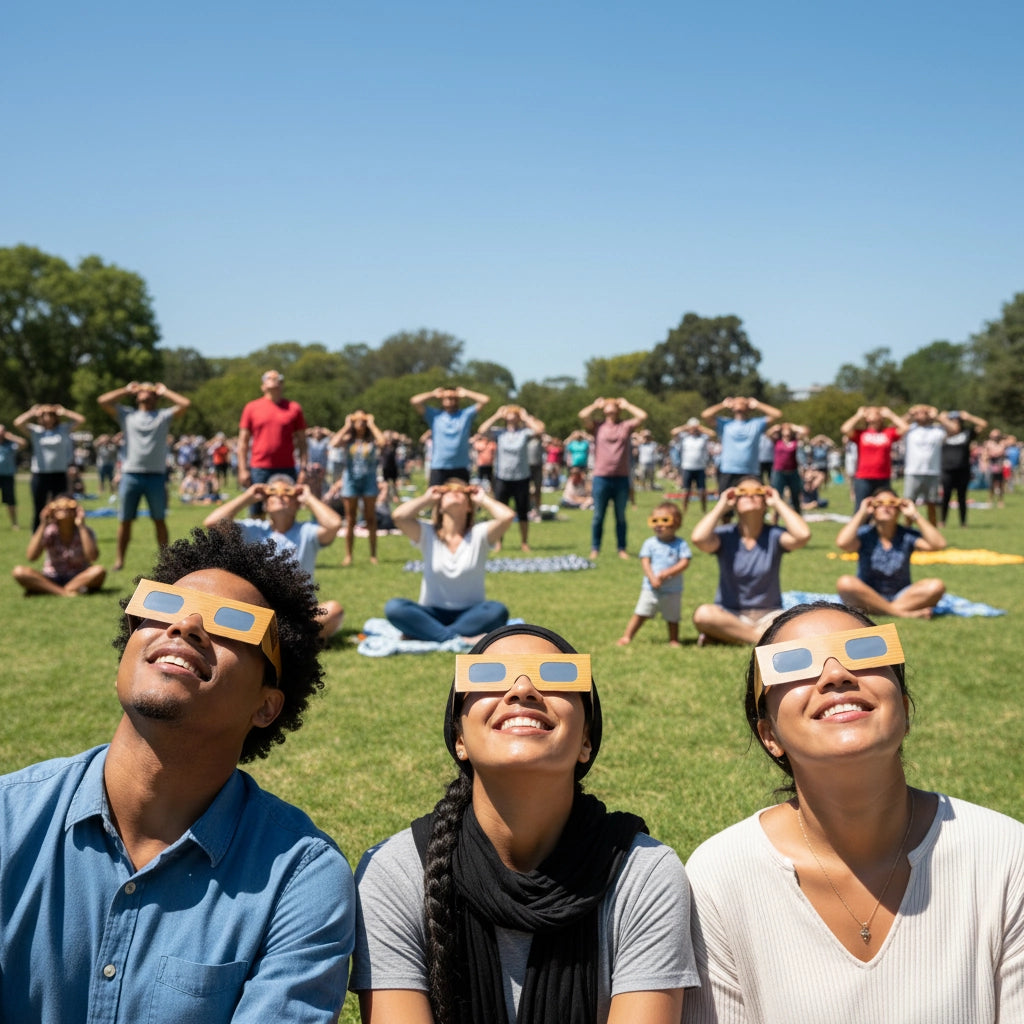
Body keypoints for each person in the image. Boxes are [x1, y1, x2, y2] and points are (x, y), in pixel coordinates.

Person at [0, 524, 355, 1022]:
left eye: (232, 623)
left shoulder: (299, 881)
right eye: (163, 605)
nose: (185, 625)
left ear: (267, 705)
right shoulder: (8, 820)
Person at [683, 602, 1024, 1023]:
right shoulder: (720, 877)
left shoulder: (1005, 856)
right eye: (794, 665)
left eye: (863, 654)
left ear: (904, 709)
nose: (835, 675)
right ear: (769, 734)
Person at [351, 622, 697, 1023]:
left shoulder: (643, 876)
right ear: (459, 737)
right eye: (487, 676)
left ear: (587, 739)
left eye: (557, 675)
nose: (521, 690)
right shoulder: (395, 873)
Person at [204, 476, 345, 640]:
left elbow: (334, 524)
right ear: (265, 504)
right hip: (260, 608)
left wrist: (309, 498)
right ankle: (293, 639)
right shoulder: (252, 530)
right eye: (273, 492)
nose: (279, 496)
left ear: (297, 503)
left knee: (334, 611)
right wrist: (247, 497)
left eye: (287, 492)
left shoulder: (306, 532)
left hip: (299, 612)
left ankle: (278, 638)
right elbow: (212, 522)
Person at [384, 481, 514, 644]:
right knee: (395, 607)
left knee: (497, 611)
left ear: (469, 506)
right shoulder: (427, 533)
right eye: (448, 492)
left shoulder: (478, 534)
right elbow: (399, 516)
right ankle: (458, 639)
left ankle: (427, 634)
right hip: (431, 613)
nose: (454, 493)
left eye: (461, 492)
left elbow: (507, 516)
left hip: (471, 613)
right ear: (440, 505)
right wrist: (427, 499)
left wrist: (483, 499)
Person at [690, 478, 811, 644]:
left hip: (769, 615)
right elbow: (698, 538)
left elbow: (803, 535)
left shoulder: (774, 535)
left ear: (765, 500)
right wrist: (722, 506)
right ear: (734, 501)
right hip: (731, 615)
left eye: (757, 493)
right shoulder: (726, 535)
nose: (751, 496)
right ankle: (760, 639)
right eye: (743, 493)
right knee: (703, 614)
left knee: (792, 622)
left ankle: (732, 636)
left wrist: (778, 502)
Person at [98, 381, 191, 571]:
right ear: (136, 394)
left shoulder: (163, 416)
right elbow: (102, 401)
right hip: (130, 474)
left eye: (150, 390)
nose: (145, 392)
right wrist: (125, 389)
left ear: (156, 396)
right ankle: (119, 561)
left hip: (156, 476)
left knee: (159, 520)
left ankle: (166, 561)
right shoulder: (127, 414)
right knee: (125, 520)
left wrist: (165, 391)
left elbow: (185, 404)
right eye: (141, 389)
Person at [835, 490, 947, 619]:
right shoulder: (865, 534)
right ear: (873, 509)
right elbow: (842, 543)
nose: (886, 507)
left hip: (902, 595)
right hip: (867, 592)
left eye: (892, 503)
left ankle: (882, 609)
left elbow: (939, 544)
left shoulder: (907, 535)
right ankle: (901, 613)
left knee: (936, 586)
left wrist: (915, 515)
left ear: (899, 509)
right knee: (845, 583)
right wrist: (862, 513)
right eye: (880, 503)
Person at [578, 396, 648, 560]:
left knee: (621, 516)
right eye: (607, 404)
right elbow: (582, 415)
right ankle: (595, 548)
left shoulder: (625, 426)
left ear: (618, 409)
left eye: (613, 404)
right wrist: (595, 404)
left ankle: (621, 548)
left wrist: (628, 404)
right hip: (601, 477)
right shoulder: (597, 426)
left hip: (621, 477)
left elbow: (643, 416)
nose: (610, 406)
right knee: (598, 516)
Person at [617, 501, 692, 647]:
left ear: (676, 524)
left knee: (673, 617)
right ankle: (627, 636)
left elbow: (685, 562)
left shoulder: (680, 544)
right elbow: (645, 561)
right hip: (650, 588)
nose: (658, 525)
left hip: (673, 589)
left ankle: (674, 639)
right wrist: (651, 577)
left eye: (665, 520)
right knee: (641, 612)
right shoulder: (650, 543)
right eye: (654, 521)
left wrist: (668, 573)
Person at [237, 369, 308, 515]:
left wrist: (303, 469)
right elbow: (243, 442)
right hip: (259, 468)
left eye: (278, 379)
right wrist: (242, 469)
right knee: (257, 512)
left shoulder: (294, 408)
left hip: (287, 467)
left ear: (282, 385)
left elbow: (302, 442)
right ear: (263, 385)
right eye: (269, 378)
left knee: (287, 510)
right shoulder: (251, 407)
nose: (274, 380)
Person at [476, 403, 545, 552]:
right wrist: (496, 415)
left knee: (522, 512)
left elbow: (539, 430)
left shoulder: (524, 433)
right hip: (502, 477)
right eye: (508, 413)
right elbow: (481, 430)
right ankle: (498, 543)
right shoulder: (499, 433)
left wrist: (526, 417)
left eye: (514, 413)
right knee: (500, 511)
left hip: (521, 477)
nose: (511, 415)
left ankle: (524, 542)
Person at [12, 494, 106, 596]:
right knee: (19, 571)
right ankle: (64, 592)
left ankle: (52, 590)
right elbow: (31, 557)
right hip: (52, 577)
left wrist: (81, 525)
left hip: (79, 577)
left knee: (99, 571)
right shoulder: (48, 531)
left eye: (69, 506)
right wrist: (43, 524)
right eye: (59, 507)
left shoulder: (85, 531)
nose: (64, 508)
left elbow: (92, 557)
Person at [13, 402, 86, 530]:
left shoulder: (63, 429)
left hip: (59, 474)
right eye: (44, 415)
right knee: (39, 507)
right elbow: (17, 423)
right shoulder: (36, 431)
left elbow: (81, 420)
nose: (47, 417)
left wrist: (64, 412)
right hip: (40, 474)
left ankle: (58, 533)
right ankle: (37, 535)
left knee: (61, 506)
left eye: (50, 414)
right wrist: (32, 412)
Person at [329, 410, 386, 566]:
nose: (360, 422)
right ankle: (348, 555)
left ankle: (373, 555)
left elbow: (383, 442)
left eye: (363, 419)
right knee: (350, 519)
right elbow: (333, 443)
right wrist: (346, 425)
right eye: (357, 420)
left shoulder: (372, 439)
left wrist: (372, 424)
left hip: (369, 480)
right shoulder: (348, 439)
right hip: (350, 481)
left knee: (370, 518)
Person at [410, 385, 491, 485]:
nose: (449, 400)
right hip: (439, 466)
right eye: (446, 397)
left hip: (461, 466)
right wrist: (433, 394)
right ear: (441, 399)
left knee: (462, 499)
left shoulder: (465, 415)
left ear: (457, 399)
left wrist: (466, 393)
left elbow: (485, 400)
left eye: (453, 397)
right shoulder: (434, 416)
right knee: (435, 499)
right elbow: (414, 401)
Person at [700, 396, 782, 491]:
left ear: (748, 406)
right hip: (728, 470)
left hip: (751, 471)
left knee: (754, 503)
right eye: (736, 402)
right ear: (732, 406)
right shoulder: (725, 424)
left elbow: (777, 414)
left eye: (743, 402)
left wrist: (757, 404)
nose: (739, 403)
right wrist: (723, 405)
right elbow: (705, 415)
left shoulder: (756, 423)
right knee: (727, 503)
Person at [839, 405, 909, 508]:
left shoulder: (888, 432)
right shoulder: (861, 433)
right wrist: (858, 416)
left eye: (876, 412)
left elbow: (905, 428)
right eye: (869, 412)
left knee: (883, 507)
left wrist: (891, 415)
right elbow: (845, 429)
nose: (872, 413)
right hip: (863, 477)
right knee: (861, 509)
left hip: (883, 477)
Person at [901, 405, 957, 526]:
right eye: (919, 412)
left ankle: (933, 532)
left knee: (932, 504)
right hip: (912, 471)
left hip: (932, 472)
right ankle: (907, 531)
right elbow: (895, 427)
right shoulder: (909, 429)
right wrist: (909, 414)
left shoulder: (937, 430)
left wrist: (938, 417)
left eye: (925, 412)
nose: (922, 414)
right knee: (909, 504)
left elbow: (954, 429)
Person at [671, 417, 716, 514]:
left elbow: (713, 434)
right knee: (686, 491)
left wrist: (701, 428)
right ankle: (684, 510)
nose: (693, 430)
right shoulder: (684, 437)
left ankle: (704, 510)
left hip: (700, 468)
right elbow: (673, 432)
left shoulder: (703, 437)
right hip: (687, 467)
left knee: (702, 491)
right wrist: (686, 427)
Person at [766, 421, 808, 519]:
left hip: (793, 472)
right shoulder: (777, 441)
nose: (786, 431)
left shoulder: (795, 441)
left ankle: (798, 519)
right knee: (777, 496)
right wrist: (775, 428)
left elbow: (805, 431)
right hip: (779, 472)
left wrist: (794, 426)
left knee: (795, 497)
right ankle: (775, 519)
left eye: (788, 429)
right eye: (785, 429)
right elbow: (768, 434)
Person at [0, 423, 25, 528]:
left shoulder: (10, 444)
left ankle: (14, 523)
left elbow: (23, 443)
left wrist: (11, 436)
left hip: (7, 476)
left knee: (10, 501)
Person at [983, 428, 1009, 508]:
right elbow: (985, 454)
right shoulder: (988, 443)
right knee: (991, 483)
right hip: (992, 464)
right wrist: (985, 462)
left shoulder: (1003, 443)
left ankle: (1000, 501)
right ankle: (990, 499)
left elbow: (1004, 452)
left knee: (1001, 484)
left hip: (1000, 464)